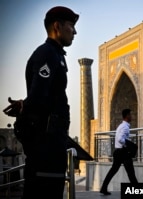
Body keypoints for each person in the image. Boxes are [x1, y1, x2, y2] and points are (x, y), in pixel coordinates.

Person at [3, 6, 79, 199]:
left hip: (53, 139)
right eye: (71, 25)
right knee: (44, 192)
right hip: (47, 143)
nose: (75, 31)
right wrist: (26, 106)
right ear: (57, 26)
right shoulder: (47, 54)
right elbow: (38, 96)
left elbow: (43, 95)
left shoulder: (56, 55)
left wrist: (23, 104)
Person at [100, 109, 138, 195]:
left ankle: (103, 188)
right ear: (127, 116)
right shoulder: (125, 127)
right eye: (130, 115)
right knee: (131, 173)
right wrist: (128, 145)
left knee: (113, 171)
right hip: (123, 152)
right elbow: (120, 139)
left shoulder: (121, 126)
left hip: (118, 152)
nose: (131, 116)